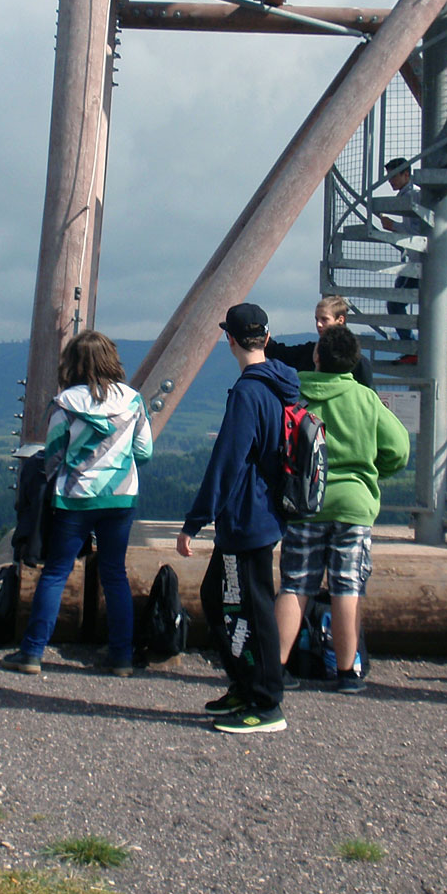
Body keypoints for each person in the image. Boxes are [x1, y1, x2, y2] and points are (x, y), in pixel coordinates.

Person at [177, 302, 302, 734]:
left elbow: (226, 463)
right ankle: (244, 684)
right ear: (265, 337)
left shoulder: (249, 392)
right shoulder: (281, 385)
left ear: (228, 339)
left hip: (247, 517)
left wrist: (195, 521)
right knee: (218, 596)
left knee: (252, 607)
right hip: (264, 512)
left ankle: (266, 702)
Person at [5, 331, 153, 676]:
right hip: (120, 497)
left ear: (73, 363)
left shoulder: (65, 403)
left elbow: (53, 456)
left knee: (56, 572)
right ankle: (121, 656)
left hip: (74, 498)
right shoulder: (133, 400)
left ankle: (32, 652)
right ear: (111, 359)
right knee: (114, 574)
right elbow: (144, 451)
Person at [274, 326, 410, 694]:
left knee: (295, 585)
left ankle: (277, 667)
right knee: (347, 589)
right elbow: (399, 450)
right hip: (353, 504)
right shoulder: (366, 399)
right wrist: (370, 474)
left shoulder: (296, 394)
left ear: (316, 357)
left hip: (306, 502)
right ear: (354, 362)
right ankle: (348, 672)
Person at [265, 294, 376, 389]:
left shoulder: (359, 363)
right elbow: (279, 352)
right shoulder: (308, 352)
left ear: (340, 320)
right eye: (317, 319)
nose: (318, 324)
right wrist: (261, 334)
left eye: (324, 319)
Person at [377, 158, 428, 356]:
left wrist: (393, 226)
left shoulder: (412, 195)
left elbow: (417, 232)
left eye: (393, 176)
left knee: (396, 304)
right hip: (416, 262)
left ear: (406, 174)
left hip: (418, 264)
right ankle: (415, 351)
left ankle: (411, 349)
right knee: (427, 313)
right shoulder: (410, 195)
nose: (390, 180)